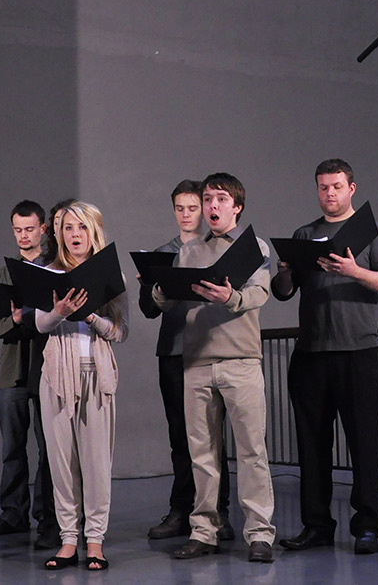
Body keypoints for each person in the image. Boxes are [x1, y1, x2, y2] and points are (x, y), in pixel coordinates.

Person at [271, 158, 378, 555]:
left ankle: (367, 529)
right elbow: (282, 292)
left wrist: (353, 270)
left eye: (337, 186)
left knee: (363, 444)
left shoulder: (371, 231)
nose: (330, 193)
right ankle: (317, 526)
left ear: (351, 188)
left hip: (358, 352)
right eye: (323, 187)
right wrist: (287, 270)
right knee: (312, 445)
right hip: (311, 353)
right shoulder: (305, 233)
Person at [153, 173, 276, 563]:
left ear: (236, 206)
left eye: (220, 199)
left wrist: (231, 297)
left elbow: (260, 292)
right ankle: (203, 530)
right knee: (201, 453)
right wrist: (159, 289)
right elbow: (168, 301)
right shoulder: (188, 251)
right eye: (208, 199)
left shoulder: (252, 245)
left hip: (240, 361)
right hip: (197, 364)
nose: (212, 206)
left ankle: (259, 533)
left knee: (252, 451)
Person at [36, 201, 129, 571]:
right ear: (59, 234)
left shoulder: (109, 274)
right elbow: (41, 325)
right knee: (62, 464)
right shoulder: (49, 273)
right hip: (58, 377)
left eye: (82, 228)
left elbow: (121, 332)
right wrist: (60, 311)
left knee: (95, 465)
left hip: (97, 376)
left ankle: (95, 541)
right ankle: (68, 540)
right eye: (68, 228)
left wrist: (90, 316)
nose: (75, 235)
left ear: (94, 233)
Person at [138, 180, 233, 541]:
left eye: (193, 207)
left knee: (212, 437)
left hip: (210, 350)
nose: (187, 214)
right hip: (174, 352)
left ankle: (218, 512)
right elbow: (149, 309)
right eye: (180, 208)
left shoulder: (218, 249)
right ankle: (181, 509)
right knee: (180, 436)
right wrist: (152, 282)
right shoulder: (165, 253)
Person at [0, 200, 58, 549]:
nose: (24, 236)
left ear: (43, 229)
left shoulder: (55, 269)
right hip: (12, 371)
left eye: (30, 229)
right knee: (12, 447)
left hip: (47, 369)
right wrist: (13, 320)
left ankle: (48, 517)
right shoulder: (4, 274)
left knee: (48, 448)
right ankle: (13, 513)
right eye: (18, 230)